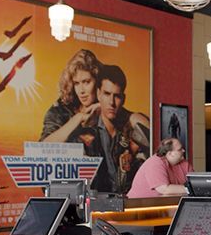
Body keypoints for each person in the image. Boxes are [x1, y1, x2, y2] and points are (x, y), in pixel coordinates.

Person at [88, 64, 149, 193]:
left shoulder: (130, 125)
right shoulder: (88, 130)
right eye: (107, 94)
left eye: (117, 96)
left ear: (123, 99)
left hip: (128, 199)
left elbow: (156, 141)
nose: (111, 102)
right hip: (97, 200)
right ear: (98, 94)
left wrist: (132, 116)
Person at [40, 49, 101, 143]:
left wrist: (104, 107)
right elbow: (42, 147)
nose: (81, 91)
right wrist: (78, 118)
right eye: (76, 83)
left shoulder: (108, 107)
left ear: (97, 81)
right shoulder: (60, 110)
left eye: (86, 82)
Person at [127, 138, 193, 197]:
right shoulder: (155, 162)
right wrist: (190, 189)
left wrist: (193, 188)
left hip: (167, 204)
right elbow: (164, 189)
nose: (183, 151)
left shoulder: (184, 163)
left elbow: (194, 183)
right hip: (137, 204)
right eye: (180, 149)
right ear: (170, 154)